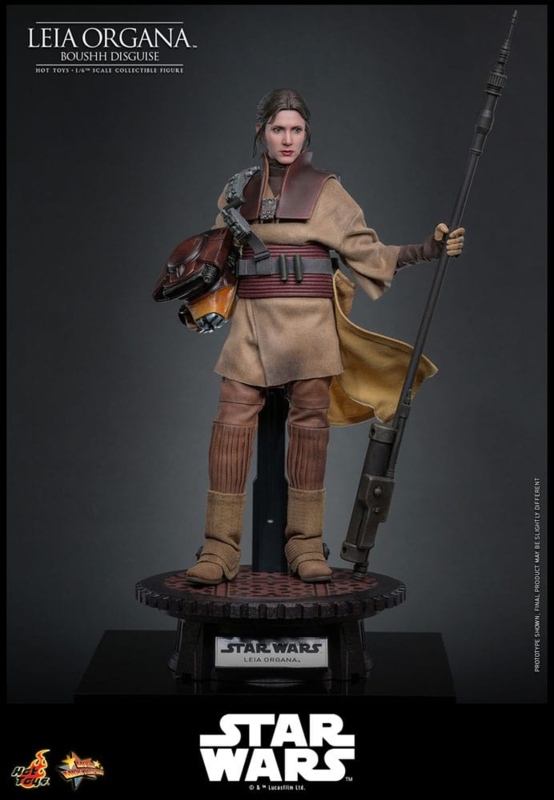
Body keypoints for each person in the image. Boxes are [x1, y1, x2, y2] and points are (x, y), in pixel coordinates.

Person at [185, 88, 465, 586]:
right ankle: (219, 546)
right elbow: (217, 256)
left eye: (296, 129)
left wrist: (427, 248)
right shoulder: (236, 191)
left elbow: (368, 252)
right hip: (251, 323)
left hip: (310, 326)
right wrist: (195, 292)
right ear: (261, 132)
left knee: (311, 426)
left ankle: (305, 543)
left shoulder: (326, 190)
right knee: (230, 421)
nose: (287, 139)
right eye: (278, 129)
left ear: (306, 133)